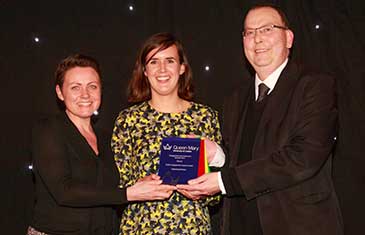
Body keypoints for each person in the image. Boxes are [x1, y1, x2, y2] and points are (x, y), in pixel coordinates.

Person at [177, 4, 344, 235]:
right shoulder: (234, 99)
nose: (257, 39)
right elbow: (242, 161)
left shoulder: (315, 86)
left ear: (288, 38)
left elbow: (303, 157)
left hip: (298, 226)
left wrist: (224, 182)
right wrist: (216, 153)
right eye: (250, 32)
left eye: (267, 29)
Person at [28, 54, 175, 235]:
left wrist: (140, 184)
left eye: (92, 86)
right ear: (60, 92)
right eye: (75, 87)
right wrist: (129, 193)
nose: (85, 95)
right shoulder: (48, 130)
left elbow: (107, 189)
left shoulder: (106, 138)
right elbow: (64, 192)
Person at [111, 32, 224, 234]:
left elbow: (218, 191)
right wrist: (138, 187)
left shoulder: (206, 117)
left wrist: (202, 191)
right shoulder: (128, 120)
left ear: (182, 68)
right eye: (154, 62)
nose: (162, 69)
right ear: (145, 70)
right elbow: (116, 188)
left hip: (192, 228)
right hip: (141, 228)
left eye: (169, 60)